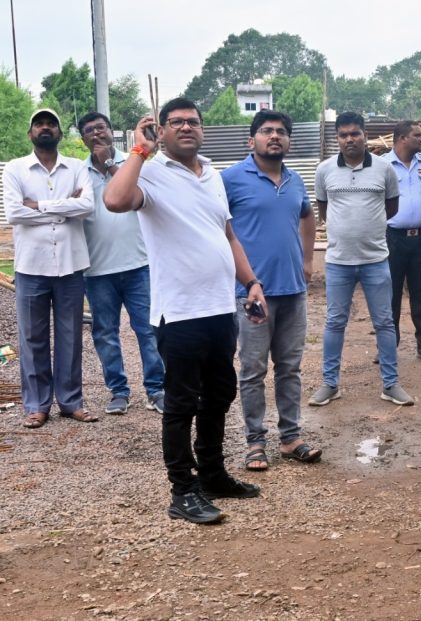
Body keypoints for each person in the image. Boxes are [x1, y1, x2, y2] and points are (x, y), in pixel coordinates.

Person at [104, 98, 265, 525]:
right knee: (181, 403)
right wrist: (139, 151)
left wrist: (251, 282)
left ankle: (212, 474)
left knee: (220, 393)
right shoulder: (150, 172)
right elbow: (115, 201)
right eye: (175, 122)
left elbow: (227, 235)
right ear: (161, 131)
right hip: (178, 313)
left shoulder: (212, 175)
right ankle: (182, 491)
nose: (186, 127)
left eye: (193, 121)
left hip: (219, 308)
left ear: (202, 128)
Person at [221, 110, 322, 471]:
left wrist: (307, 261)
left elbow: (307, 216)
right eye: (266, 131)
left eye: (281, 131)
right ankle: (255, 442)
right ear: (252, 140)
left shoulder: (295, 180)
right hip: (251, 294)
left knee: (290, 368)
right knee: (252, 370)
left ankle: (291, 437)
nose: (274, 136)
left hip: (292, 291)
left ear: (289, 141)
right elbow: (218, 227)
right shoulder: (231, 179)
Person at [308, 112, 414, 407]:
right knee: (334, 322)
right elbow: (324, 210)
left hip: (375, 260)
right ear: (337, 139)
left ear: (365, 135)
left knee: (385, 322)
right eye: (343, 135)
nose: (349, 139)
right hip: (338, 261)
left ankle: (391, 384)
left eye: (355, 133)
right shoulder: (324, 170)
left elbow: (391, 208)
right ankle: (330, 384)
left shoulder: (384, 169)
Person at [3, 108, 95, 428]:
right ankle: (37, 405)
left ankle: (70, 402)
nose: (45, 128)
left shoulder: (77, 167)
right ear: (30, 133)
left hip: (70, 265)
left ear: (59, 132)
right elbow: (14, 213)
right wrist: (65, 209)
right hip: (31, 267)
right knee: (32, 338)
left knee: (71, 336)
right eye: (39, 124)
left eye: (51, 124)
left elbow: (87, 206)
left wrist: (38, 206)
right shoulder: (15, 169)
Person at [78, 111, 165, 416]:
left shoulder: (134, 163)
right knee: (105, 333)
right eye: (89, 130)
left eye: (101, 127)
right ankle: (118, 391)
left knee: (149, 330)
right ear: (83, 139)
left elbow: (136, 194)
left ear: (111, 131)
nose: (96, 133)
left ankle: (156, 389)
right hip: (97, 269)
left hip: (139, 264)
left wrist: (109, 165)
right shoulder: (78, 173)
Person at [383, 121, 421, 363]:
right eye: (417, 135)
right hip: (393, 239)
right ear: (402, 138)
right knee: (390, 294)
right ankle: (387, 347)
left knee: (420, 292)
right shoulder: (383, 166)